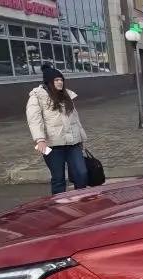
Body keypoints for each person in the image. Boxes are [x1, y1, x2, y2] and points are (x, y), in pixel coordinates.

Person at [26, 65, 89, 195]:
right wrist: (40, 140)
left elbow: (75, 119)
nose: (60, 82)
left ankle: (81, 200)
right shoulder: (37, 97)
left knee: (81, 173)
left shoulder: (66, 96)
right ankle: (59, 206)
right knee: (58, 178)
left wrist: (82, 138)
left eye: (61, 80)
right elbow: (34, 120)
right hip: (52, 146)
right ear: (49, 82)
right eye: (56, 80)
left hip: (73, 144)